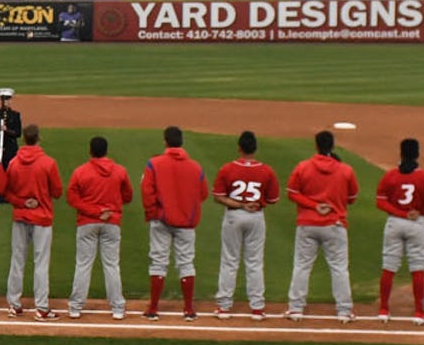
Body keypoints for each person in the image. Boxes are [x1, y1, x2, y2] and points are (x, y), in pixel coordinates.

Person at [286, 131, 358, 321]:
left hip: (307, 224)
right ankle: (344, 311)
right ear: (332, 146)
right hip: (335, 224)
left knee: (302, 266)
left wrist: (313, 205)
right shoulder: (346, 170)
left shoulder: (303, 167)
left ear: (316, 146)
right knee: (339, 268)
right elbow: (352, 198)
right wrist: (332, 200)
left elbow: (292, 193)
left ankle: (295, 308)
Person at [140, 127, 205, 320]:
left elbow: (147, 191)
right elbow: (202, 194)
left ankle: (153, 309)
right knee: (186, 262)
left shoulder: (154, 163)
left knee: (158, 262)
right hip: (186, 222)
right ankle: (188, 310)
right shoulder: (196, 167)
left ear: (165, 142)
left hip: (161, 220)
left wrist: (154, 213)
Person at [212, 131, 279, 317]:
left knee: (229, 261)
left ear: (239, 148)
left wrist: (240, 204)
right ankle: (257, 308)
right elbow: (273, 199)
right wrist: (255, 203)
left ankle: (224, 307)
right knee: (255, 262)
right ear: (255, 148)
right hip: (256, 217)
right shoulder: (267, 171)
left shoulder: (227, 169)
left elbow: (218, 196)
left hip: (233, 216)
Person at [373, 138, 424, 321]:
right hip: (416, 224)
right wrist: (420, 208)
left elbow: (380, 201)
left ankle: (384, 310)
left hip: (394, 223)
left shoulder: (391, 176)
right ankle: (419, 312)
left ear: (401, 153)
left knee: (389, 265)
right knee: (417, 267)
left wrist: (399, 213)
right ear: (417, 154)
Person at [65, 136, 131, 318]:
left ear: (90, 151)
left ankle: (76, 307)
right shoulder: (120, 171)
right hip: (112, 222)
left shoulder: (80, 172)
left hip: (87, 223)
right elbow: (128, 196)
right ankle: (117, 308)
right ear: (106, 150)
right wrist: (108, 208)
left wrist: (93, 211)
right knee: (111, 265)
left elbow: (72, 198)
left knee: (83, 264)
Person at [2, 125, 61, 317]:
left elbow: (6, 191)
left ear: (24, 139)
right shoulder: (48, 163)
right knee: (41, 262)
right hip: (42, 218)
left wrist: (21, 202)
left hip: (20, 216)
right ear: (38, 138)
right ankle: (42, 307)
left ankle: (14, 304)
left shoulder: (13, 163)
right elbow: (58, 192)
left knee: (17, 260)